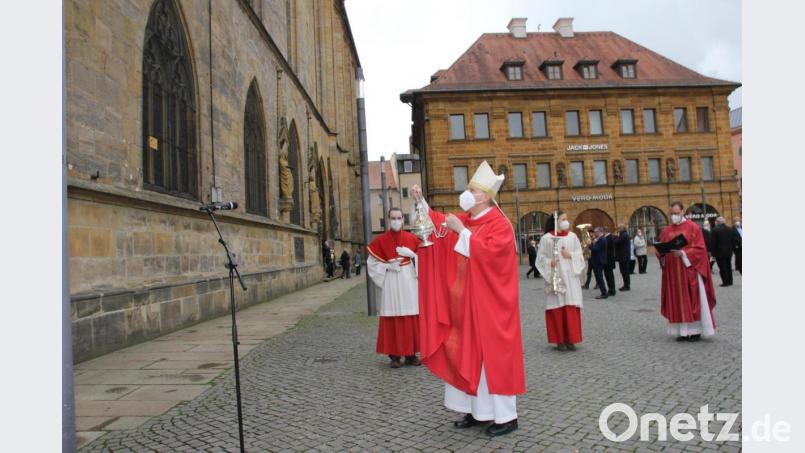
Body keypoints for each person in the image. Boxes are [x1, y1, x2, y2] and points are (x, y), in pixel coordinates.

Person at [410, 161, 525, 437]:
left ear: (485, 195)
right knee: (467, 354)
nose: (467, 192)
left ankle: (507, 417)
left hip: (491, 306)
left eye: (471, 189)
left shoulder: (500, 225)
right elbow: (441, 225)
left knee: (494, 359)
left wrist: (462, 232)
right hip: (467, 305)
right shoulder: (470, 220)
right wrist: (422, 203)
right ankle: (478, 411)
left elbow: (492, 255)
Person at [367, 208, 421, 368]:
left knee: (410, 314)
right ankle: (394, 356)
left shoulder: (413, 239)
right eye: (393, 218)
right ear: (389, 220)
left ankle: (411, 355)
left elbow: (426, 261)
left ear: (403, 220)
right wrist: (387, 266)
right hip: (391, 280)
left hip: (409, 279)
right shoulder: (380, 240)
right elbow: (371, 263)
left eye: (399, 217)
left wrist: (413, 256)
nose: (396, 220)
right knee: (393, 315)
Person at [657, 201, 717, 342]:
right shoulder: (666, 231)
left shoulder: (693, 228)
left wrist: (683, 253)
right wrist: (661, 252)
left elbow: (700, 249)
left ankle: (695, 331)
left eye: (677, 213)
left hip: (689, 271)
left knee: (692, 299)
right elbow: (662, 250)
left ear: (683, 212)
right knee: (677, 300)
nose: (674, 216)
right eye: (672, 214)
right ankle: (682, 331)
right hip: (673, 273)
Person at [536, 211, 585, 351]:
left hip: (570, 277)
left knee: (570, 305)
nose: (566, 222)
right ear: (556, 221)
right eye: (563, 219)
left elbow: (580, 255)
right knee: (557, 307)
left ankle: (571, 339)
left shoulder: (572, 236)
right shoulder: (546, 238)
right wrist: (549, 262)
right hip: (555, 276)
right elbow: (540, 258)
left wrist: (571, 255)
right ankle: (559, 340)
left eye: (566, 219)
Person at [711, 217, 740, 287]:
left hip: (719, 252)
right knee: (728, 266)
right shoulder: (730, 229)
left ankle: (725, 282)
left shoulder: (715, 230)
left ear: (718, 222)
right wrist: (732, 248)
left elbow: (713, 242)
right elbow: (734, 240)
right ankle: (730, 281)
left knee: (722, 267)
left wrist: (712, 252)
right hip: (729, 251)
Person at [589, 227, 609, 299]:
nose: (594, 233)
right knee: (599, 277)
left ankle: (604, 293)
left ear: (599, 232)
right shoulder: (600, 239)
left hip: (599, 261)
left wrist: (590, 244)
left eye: (595, 232)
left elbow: (595, 249)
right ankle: (603, 292)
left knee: (599, 278)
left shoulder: (602, 239)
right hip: (598, 260)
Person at [614, 224, 631, 291]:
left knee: (625, 272)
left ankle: (627, 286)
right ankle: (625, 285)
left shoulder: (624, 235)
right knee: (623, 272)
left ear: (622, 228)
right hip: (622, 257)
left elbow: (616, 242)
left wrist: (615, 236)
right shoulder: (622, 234)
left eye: (618, 228)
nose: (617, 229)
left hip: (624, 257)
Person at [604, 228, 617, 296]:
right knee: (608, 275)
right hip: (609, 259)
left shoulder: (608, 238)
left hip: (608, 260)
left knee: (609, 276)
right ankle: (611, 289)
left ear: (605, 231)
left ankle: (612, 290)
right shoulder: (608, 237)